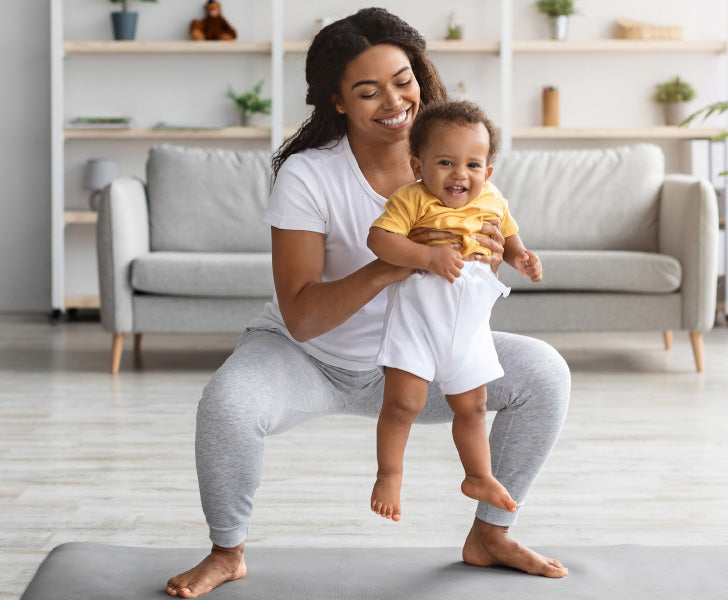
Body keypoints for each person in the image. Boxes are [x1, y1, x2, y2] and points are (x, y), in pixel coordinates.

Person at [165, 8, 570, 598]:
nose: (394, 101)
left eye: (403, 81)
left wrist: (489, 260)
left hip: (414, 358)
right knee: (227, 405)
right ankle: (226, 552)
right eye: (368, 90)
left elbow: (474, 277)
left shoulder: (460, 165)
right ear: (337, 101)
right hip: (309, 358)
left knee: (545, 373)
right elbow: (303, 317)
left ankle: (490, 536)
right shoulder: (309, 176)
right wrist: (399, 262)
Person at [368, 99, 543, 522]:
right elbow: (379, 240)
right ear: (418, 165)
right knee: (403, 403)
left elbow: (509, 237)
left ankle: (478, 475)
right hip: (418, 320)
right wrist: (427, 257)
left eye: (472, 165)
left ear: (488, 172)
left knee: (473, 405)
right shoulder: (411, 199)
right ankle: (389, 474)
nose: (460, 174)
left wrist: (521, 258)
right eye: (445, 162)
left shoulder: (494, 200)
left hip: (469, 325)